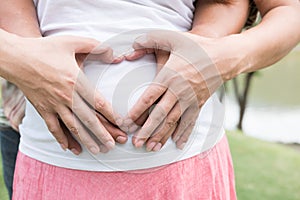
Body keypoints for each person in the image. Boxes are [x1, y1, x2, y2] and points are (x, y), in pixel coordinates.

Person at [2, 1, 300, 200]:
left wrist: (221, 57)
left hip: (187, 172)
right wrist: (24, 56)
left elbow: (287, 9)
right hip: (55, 166)